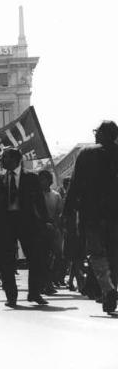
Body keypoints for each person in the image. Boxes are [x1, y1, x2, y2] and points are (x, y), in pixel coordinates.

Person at [63, 121, 118, 314]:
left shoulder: (87, 154)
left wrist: (67, 210)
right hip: (114, 215)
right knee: (114, 252)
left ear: (102, 134)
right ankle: (111, 290)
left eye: (97, 132)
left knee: (97, 254)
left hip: (92, 214)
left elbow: (75, 184)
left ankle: (108, 289)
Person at [0, 147, 51, 308]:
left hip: (27, 222)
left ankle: (35, 293)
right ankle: (11, 296)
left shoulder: (31, 178)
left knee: (35, 258)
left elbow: (39, 202)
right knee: (6, 260)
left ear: (16, 160)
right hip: (5, 222)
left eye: (4, 157)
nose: (1, 160)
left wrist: (45, 221)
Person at [38, 170, 64, 295]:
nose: (42, 181)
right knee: (43, 257)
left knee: (58, 255)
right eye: (40, 179)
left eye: (45, 179)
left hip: (54, 230)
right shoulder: (36, 195)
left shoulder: (56, 195)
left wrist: (57, 228)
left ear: (49, 180)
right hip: (40, 230)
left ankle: (51, 280)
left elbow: (59, 213)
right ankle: (46, 284)